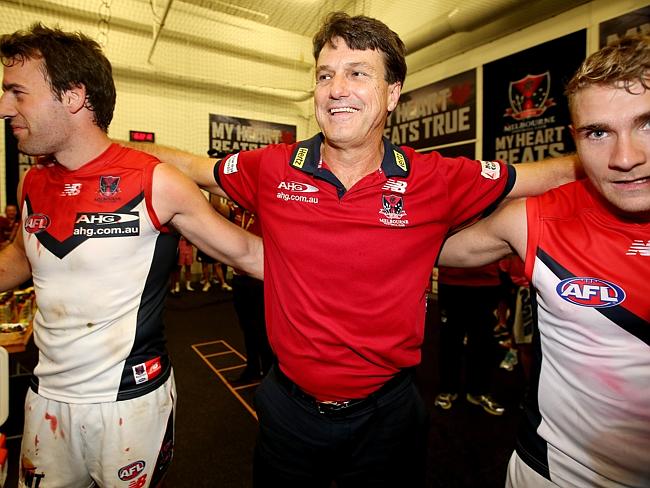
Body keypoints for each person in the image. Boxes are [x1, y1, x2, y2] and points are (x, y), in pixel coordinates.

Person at [125, 12, 580, 487]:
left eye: (358, 73)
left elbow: (541, 177)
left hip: (389, 417)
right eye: (326, 75)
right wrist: (98, 147)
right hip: (288, 411)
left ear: (392, 94)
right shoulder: (272, 168)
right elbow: (193, 167)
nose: (336, 88)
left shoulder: (436, 178)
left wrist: (619, 156)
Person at [0, 24, 262, 487]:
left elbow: (247, 254)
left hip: (130, 403)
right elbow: (18, 260)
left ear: (74, 96)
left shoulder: (155, 181)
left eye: (17, 93)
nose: (4, 109)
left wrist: (373, 258)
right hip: (45, 399)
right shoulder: (31, 184)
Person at [438, 35, 650, 488]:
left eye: (648, 124)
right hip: (555, 474)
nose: (626, 158)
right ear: (576, 138)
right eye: (599, 133)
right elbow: (413, 250)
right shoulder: (534, 219)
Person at [434, 263, 505, 415]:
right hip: (451, 282)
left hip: (487, 284)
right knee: (450, 340)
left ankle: (478, 391)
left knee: (483, 342)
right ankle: (448, 389)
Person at [229, 202, 272, 384]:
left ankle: (270, 376)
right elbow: (217, 205)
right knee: (247, 327)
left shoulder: (263, 213)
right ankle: (252, 368)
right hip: (240, 278)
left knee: (263, 329)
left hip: (259, 279)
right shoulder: (238, 212)